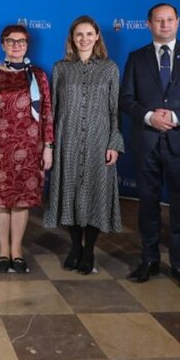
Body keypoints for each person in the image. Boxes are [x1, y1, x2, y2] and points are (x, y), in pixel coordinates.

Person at [120, 2, 180, 294]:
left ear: (178, 21)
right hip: (147, 141)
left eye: (169, 19)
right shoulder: (136, 58)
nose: (164, 25)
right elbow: (126, 99)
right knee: (148, 205)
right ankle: (149, 260)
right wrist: (150, 117)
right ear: (148, 24)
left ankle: (179, 265)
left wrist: (175, 117)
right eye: (158, 20)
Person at [45, 16, 124, 274]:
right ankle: (75, 246)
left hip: (98, 142)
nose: (84, 39)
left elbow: (115, 109)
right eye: (79, 34)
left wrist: (114, 142)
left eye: (89, 34)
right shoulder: (61, 68)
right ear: (72, 38)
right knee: (70, 195)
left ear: (97, 36)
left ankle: (89, 250)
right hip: (67, 141)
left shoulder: (110, 68)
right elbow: (53, 109)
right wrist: (50, 144)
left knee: (94, 196)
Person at [0, 25, 53, 273]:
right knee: (0, 201)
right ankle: (3, 250)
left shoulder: (38, 76)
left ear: (27, 45)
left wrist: (48, 147)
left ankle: (17, 250)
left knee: (22, 200)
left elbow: (46, 114)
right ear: (2, 45)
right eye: (10, 41)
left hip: (30, 148)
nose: (16, 46)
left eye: (20, 41)